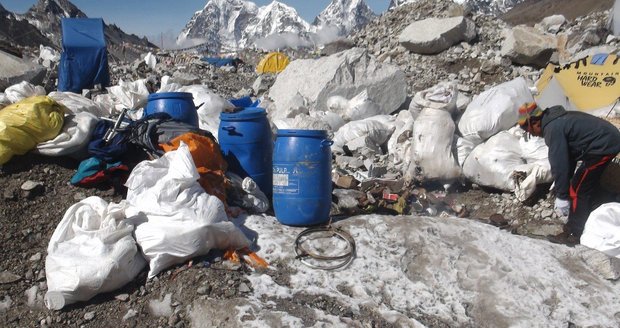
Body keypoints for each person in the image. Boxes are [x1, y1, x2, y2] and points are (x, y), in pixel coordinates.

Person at [517, 102, 620, 243]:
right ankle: (614, 200)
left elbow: (559, 163)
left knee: (578, 190)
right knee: (584, 183)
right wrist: (563, 185)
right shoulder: (556, 121)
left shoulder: (552, 129)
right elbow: (569, 157)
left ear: (534, 122)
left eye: (528, 130)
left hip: (603, 146)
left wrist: (562, 195)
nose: (532, 134)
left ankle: (574, 233)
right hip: (605, 142)